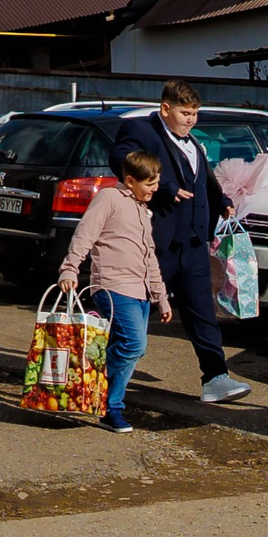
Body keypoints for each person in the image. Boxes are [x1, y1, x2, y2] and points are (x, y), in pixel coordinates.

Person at [110, 81, 250, 404]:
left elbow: (204, 178)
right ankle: (105, 372)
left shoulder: (193, 142)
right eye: (185, 113)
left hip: (194, 244)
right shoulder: (141, 131)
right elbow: (120, 159)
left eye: (195, 113)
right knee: (134, 312)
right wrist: (163, 187)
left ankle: (216, 377)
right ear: (165, 109)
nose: (191, 119)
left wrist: (222, 200)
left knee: (202, 312)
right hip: (156, 245)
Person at [57, 147, 173, 433]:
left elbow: (149, 257)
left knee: (132, 351)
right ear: (130, 180)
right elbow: (86, 233)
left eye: (157, 183)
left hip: (141, 291)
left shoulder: (143, 211)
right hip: (112, 287)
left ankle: (97, 395)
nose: (155, 189)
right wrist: (70, 268)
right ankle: (107, 401)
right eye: (150, 183)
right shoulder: (109, 197)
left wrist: (161, 297)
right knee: (134, 344)